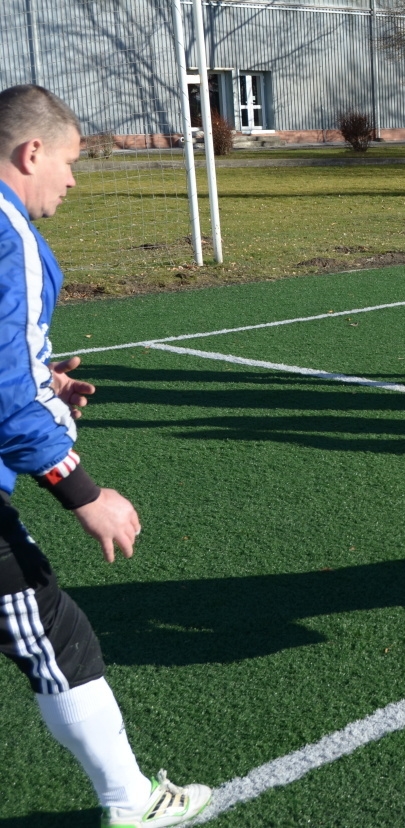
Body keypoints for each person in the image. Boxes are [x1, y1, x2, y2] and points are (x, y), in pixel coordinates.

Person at [0, 85, 210, 826]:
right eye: (70, 160)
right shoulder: (10, 235)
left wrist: (44, 379)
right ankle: (133, 803)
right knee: (55, 632)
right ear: (32, 152)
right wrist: (84, 493)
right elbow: (6, 401)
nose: (74, 179)